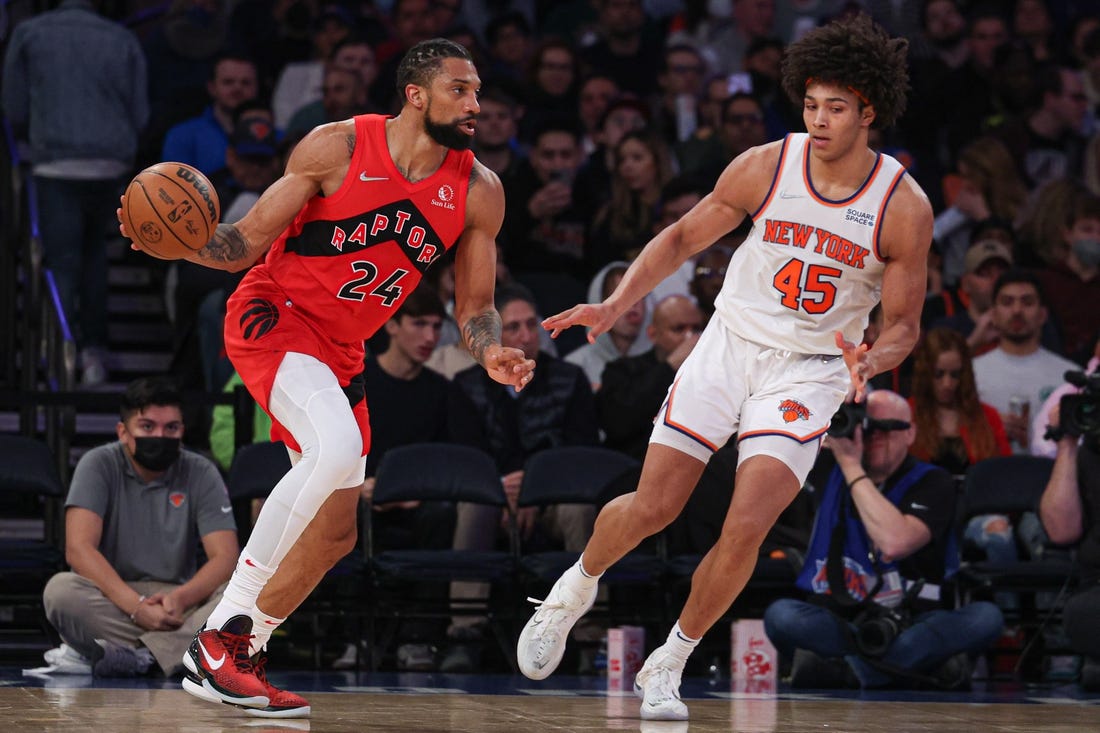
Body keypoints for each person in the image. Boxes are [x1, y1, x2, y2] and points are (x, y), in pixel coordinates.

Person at [517, 15, 934, 721]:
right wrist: (617, 303)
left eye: (835, 106)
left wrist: (874, 357)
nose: (819, 119)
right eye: (810, 104)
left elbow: (903, 325)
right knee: (655, 506)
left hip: (811, 368)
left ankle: (669, 662)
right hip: (731, 342)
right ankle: (573, 588)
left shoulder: (902, 206)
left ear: (869, 110)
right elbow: (682, 236)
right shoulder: (767, 165)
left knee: (746, 524)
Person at [118, 38, 535, 717]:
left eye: (478, 90)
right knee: (336, 448)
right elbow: (242, 244)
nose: (476, 104)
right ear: (416, 93)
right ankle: (217, 637)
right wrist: (177, 236)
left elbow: (476, 308)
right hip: (273, 315)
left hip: (342, 350)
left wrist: (489, 351)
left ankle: (240, 649)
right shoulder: (335, 147)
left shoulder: (479, 190)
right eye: (461, 89)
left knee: (337, 532)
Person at [762, 390, 1004, 689]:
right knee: (781, 615)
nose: (875, 436)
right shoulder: (827, 466)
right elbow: (778, 429)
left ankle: (847, 673)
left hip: (913, 622)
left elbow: (895, 543)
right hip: (842, 620)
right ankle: (911, 671)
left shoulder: (934, 481)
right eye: (867, 427)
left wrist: (851, 466)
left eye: (888, 428)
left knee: (986, 617)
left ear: (910, 433)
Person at [41, 377, 237, 677]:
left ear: (182, 431)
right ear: (123, 432)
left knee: (243, 594)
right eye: (147, 427)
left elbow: (225, 557)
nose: (160, 435)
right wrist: (137, 607)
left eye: (171, 428)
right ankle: (179, 654)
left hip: (178, 603)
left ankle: (139, 658)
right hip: (114, 598)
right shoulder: (98, 464)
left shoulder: (201, 471)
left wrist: (180, 598)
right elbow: (78, 549)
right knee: (60, 591)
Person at [1, 0, 149, 386]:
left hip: (55, 162)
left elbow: (12, 107)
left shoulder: (31, 33)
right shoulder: (121, 38)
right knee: (95, 256)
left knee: (64, 261)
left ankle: (61, 357)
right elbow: (141, 112)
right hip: (109, 163)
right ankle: (93, 352)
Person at [972, 270, 1080, 454]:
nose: (1017, 310)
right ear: (993, 314)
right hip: (986, 475)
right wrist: (989, 426)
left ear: (1043, 315)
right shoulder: (971, 372)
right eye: (1007, 302)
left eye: (1027, 302)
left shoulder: (1070, 376)